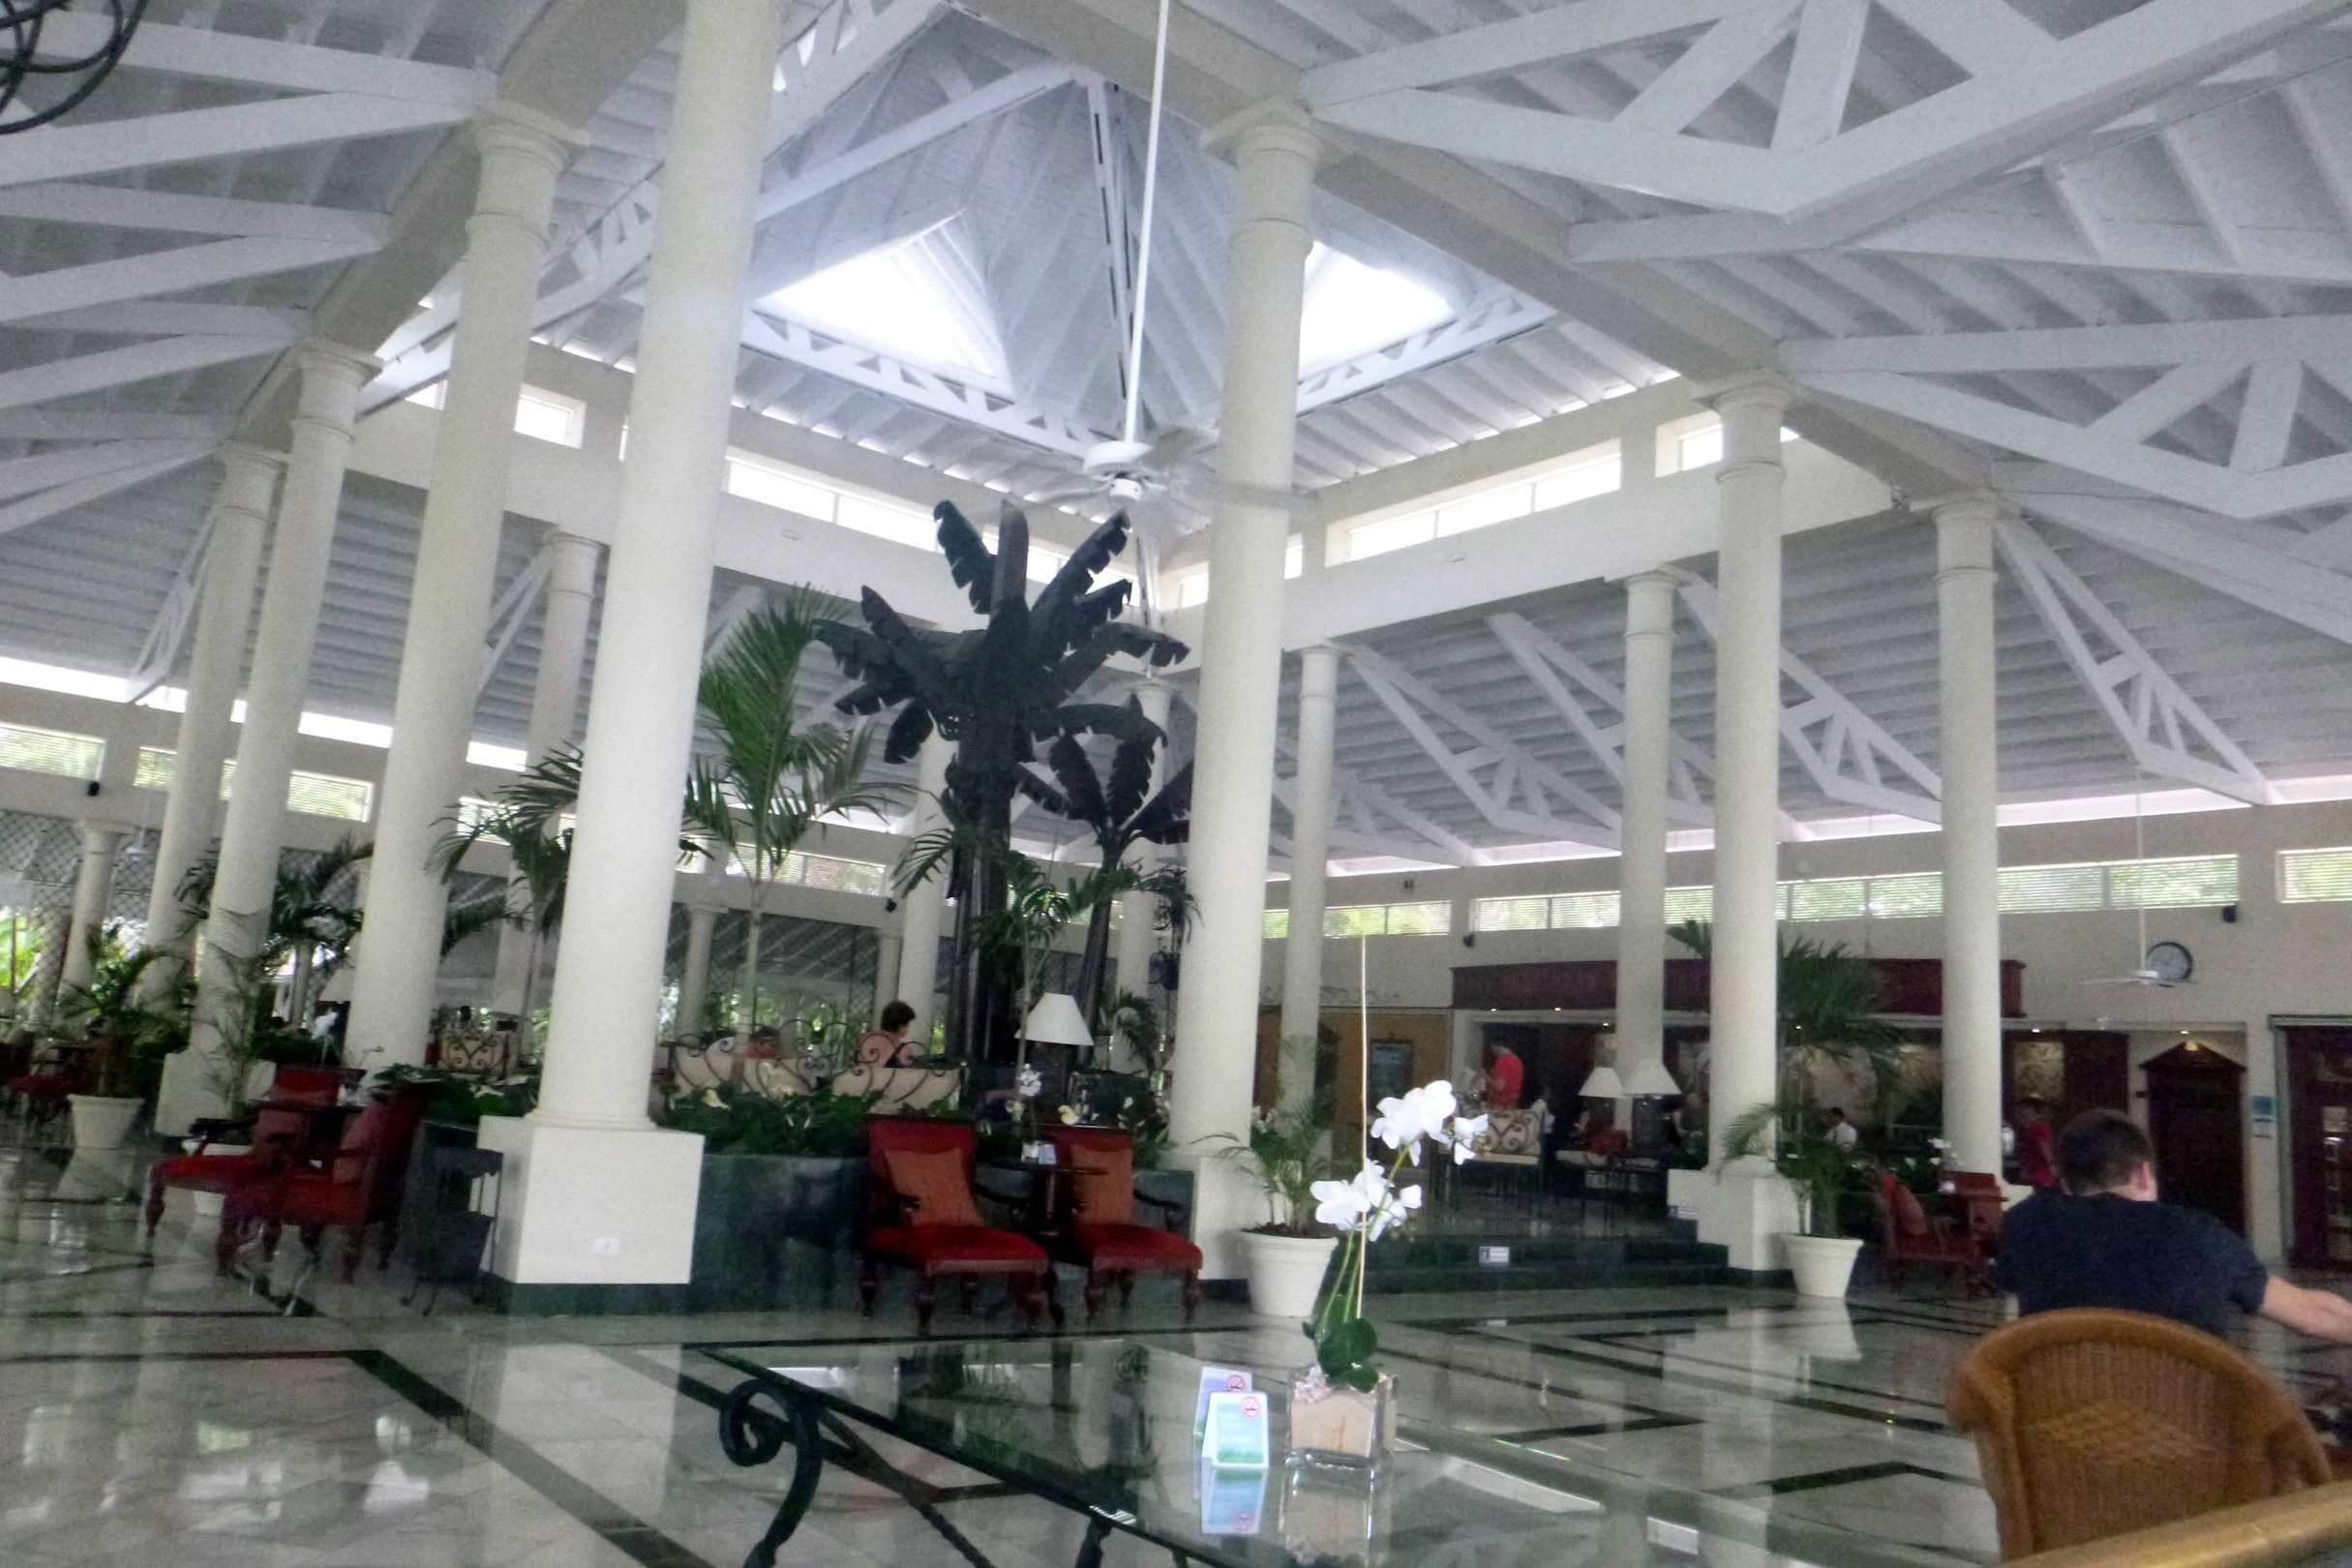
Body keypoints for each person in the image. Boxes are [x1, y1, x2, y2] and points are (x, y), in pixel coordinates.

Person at [1998, 1109, 2352, 1342]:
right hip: (2183, 1427)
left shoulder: (2025, 1225)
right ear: (2142, 1173)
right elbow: (2311, 1317)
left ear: (2064, 1180)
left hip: (2055, 1424)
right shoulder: (2197, 1236)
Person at [859, 1001, 922, 1066]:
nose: (907, 1029)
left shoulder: (867, 1039)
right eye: (906, 1025)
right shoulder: (903, 1050)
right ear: (899, 1025)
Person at [2014, 1100, 2058, 1188]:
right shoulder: (2028, 1129)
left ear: (2035, 1112)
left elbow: (2045, 1149)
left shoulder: (2039, 1127)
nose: (2021, 1118)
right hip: (2033, 1173)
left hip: (2041, 1174)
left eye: (2023, 1114)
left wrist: (2052, 1165)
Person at [1487, 1041, 1524, 1109]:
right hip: (1512, 1105)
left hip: (1500, 1106)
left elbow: (1499, 1087)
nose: (1492, 1051)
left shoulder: (1502, 1060)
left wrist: (1486, 1078)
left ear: (1495, 1046)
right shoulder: (1517, 1060)